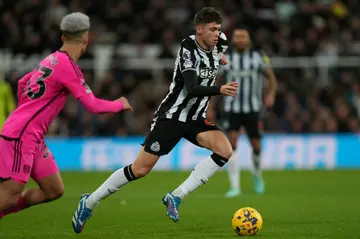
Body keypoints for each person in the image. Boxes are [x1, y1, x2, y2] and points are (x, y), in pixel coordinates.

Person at [72, 7, 238, 233]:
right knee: (140, 169)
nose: (217, 34)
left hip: (195, 118)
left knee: (224, 150)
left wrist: (220, 57)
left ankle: (176, 196)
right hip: (172, 116)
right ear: (199, 30)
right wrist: (220, 89)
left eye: (219, 29)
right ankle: (90, 202)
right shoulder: (187, 48)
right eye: (212, 30)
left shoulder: (220, 42)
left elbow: (220, 53)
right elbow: (190, 88)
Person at [0, 12, 132, 219]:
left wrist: (26, 111)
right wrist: (119, 104)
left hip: (30, 133)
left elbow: (22, 83)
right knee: (8, 196)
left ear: (63, 37)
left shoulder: (50, 59)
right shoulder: (68, 67)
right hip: (22, 135)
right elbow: (94, 106)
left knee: (53, 189)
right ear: (86, 39)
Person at [209, 26, 277, 197]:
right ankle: (235, 186)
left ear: (248, 40)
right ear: (233, 40)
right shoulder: (226, 58)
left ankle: (257, 176)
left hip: (253, 108)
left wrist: (270, 94)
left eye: (243, 37)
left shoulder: (258, 57)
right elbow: (217, 80)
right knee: (231, 146)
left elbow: (271, 77)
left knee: (256, 146)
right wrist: (210, 103)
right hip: (231, 108)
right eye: (237, 37)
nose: (240, 40)